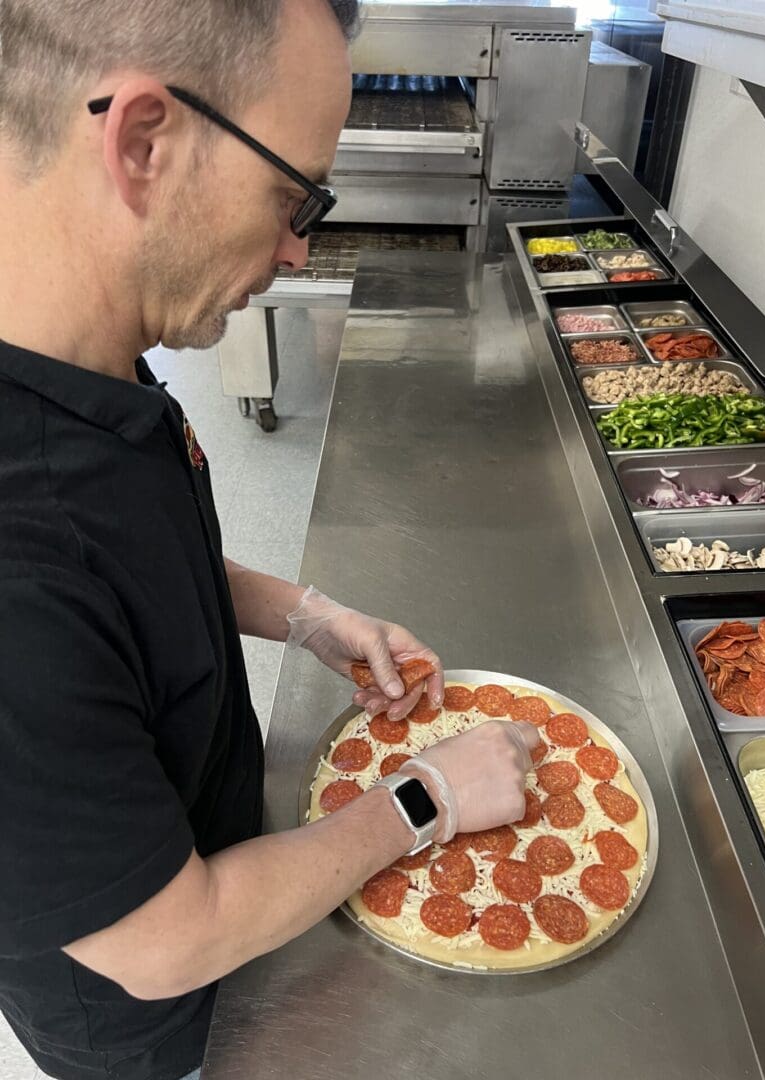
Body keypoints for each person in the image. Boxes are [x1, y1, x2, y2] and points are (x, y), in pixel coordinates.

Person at [0, 2, 539, 1078]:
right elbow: (166, 943)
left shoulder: (83, 356)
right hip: (158, 1028)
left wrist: (306, 616)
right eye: (295, 199)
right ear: (144, 143)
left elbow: (133, 571)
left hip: (225, 852)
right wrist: (423, 799)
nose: (299, 248)